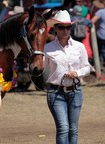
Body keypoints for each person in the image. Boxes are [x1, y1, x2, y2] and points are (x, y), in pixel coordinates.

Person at [44, 10, 91, 144]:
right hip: (55, 92)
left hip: (75, 91)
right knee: (63, 128)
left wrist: (77, 73)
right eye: (61, 27)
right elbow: (40, 68)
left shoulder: (79, 46)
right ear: (55, 28)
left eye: (68, 27)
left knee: (73, 129)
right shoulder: (47, 48)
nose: (65, 30)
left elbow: (87, 67)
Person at [91, 3, 105, 69]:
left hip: (102, 35)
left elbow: (92, 21)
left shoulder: (101, 12)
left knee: (100, 50)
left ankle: (100, 64)